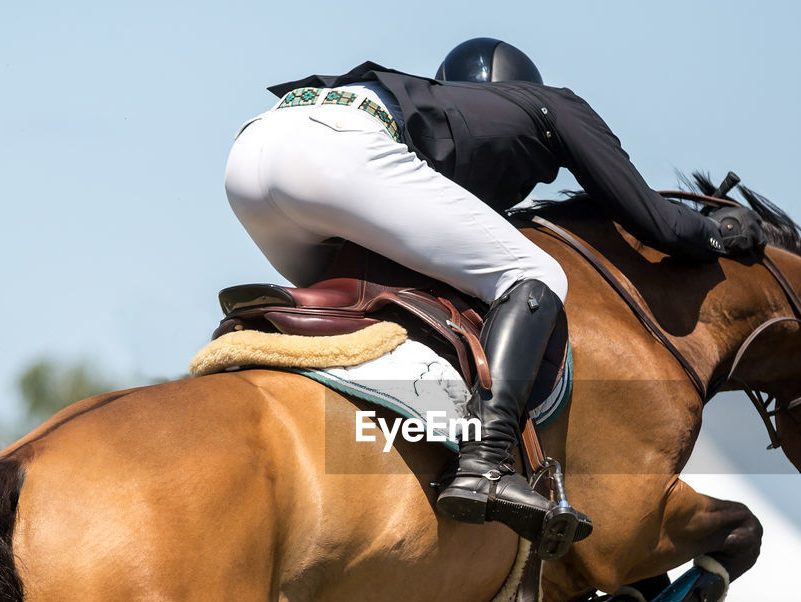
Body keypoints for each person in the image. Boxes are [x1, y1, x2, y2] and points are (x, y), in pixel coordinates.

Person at [225, 37, 764, 557]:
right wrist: (722, 231)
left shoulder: (431, 105)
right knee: (534, 274)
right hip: (339, 154)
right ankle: (484, 463)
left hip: (251, 156)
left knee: (360, 310)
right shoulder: (552, 103)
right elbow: (659, 224)